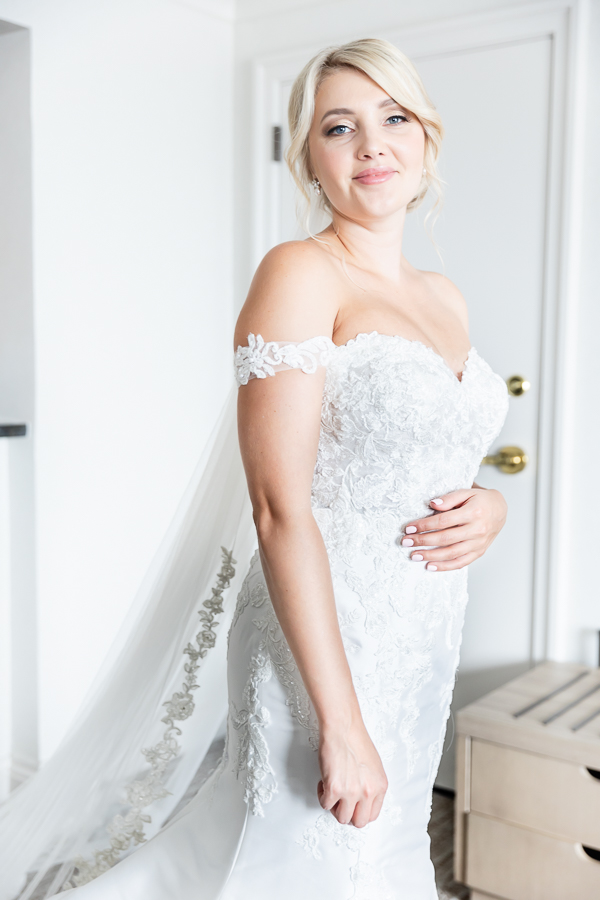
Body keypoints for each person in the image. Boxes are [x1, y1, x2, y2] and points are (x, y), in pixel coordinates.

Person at [1, 38, 508, 900]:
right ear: (308, 158)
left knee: (378, 856)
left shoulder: (444, 297)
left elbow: (442, 453)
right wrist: (338, 723)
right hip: (320, 637)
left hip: (419, 638)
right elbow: (278, 509)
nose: (372, 145)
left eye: (393, 118)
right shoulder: (300, 273)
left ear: (426, 137)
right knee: (301, 857)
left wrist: (490, 505)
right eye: (338, 128)